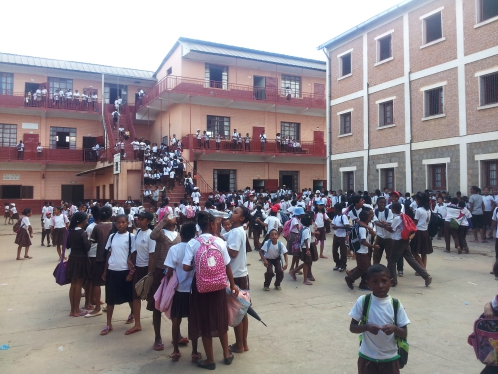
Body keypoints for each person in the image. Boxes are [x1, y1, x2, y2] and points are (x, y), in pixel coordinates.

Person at [183, 211, 237, 370]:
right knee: (220, 317)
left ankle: (210, 360)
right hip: (219, 286)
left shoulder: (193, 243)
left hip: (201, 287)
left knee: (205, 321)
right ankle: (227, 355)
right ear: (212, 225)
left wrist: (199, 267)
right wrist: (232, 284)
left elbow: (186, 267)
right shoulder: (220, 242)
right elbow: (227, 265)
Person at [349, 264, 409, 374]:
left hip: (390, 358)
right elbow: (352, 327)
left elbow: (404, 332)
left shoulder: (396, 305)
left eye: (384, 281)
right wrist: (366, 327)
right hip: (367, 357)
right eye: (375, 282)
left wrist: (394, 328)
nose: (380, 285)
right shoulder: (363, 301)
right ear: (368, 283)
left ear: (391, 282)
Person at [164, 222, 201, 363]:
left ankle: (175, 351)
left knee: (176, 320)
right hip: (193, 289)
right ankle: (195, 352)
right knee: (194, 320)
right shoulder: (197, 247)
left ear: (181, 234)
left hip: (179, 289)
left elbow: (168, 272)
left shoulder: (174, 249)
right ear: (194, 235)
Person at [149, 214, 181, 350]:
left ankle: (177, 334)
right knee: (157, 305)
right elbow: (152, 235)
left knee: (175, 305)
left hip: (175, 273)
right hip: (160, 271)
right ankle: (157, 337)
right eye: (168, 216)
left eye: (172, 216)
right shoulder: (161, 233)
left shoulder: (178, 235)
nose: (170, 217)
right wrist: (163, 221)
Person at [100, 215, 135, 336]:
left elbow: (134, 256)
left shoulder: (131, 238)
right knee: (110, 298)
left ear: (128, 223)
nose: (120, 225)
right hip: (112, 270)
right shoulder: (112, 236)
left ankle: (133, 313)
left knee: (130, 296)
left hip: (125, 271)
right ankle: (109, 323)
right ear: (115, 224)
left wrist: (131, 273)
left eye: (123, 222)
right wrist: (105, 271)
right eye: (118, 222)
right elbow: (109, 254)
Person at [386, 202, 433, 287]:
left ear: (393, 209)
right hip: (405, 239)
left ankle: (393, 280)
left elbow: (391, 229)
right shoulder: (403, 216)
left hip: (398, 240)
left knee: (392, 260)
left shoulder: (397, 218)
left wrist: (384, 225)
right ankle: (426, 276)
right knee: (410, 259)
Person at [126, 211, 156, 335]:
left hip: (146, 268)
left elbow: (152, 256)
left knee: (152, 296)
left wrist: (149, 274)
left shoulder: (151, 235)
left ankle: (156, 318)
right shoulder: (137, 233)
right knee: (135, 296)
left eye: (142, 219)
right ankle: (137, 323)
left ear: (148, 222)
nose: (139, 221)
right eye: (138, 219)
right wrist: (130, 259)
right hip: (137, 268)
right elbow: (135, 250)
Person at [226, 206, 251, 354]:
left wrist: (222, 247)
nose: (232, 213)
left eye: (235, 212)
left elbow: (233, 252)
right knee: (243, 310)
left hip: (235, 275)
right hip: (242, 274)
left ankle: (239, 345)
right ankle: (243, 343)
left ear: (241, 218)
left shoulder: (236, 232)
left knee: (236, 311)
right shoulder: (238, 230)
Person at [86, 206, 114, 318]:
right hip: (112, 258)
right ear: (110, 215)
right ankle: (109, 305)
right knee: (110, 283)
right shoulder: (114, 226)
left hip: (99, 257)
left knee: (97, 283)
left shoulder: (97, 227)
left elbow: (94, 241)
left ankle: (97, 307)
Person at [65, 212, 91, 317]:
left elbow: (68, 245)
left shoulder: (70, 232)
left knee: (73, 285)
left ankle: (73, 310)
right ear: (84, 221)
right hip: (81, 259)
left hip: (73, 258)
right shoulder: (83, 233)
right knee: (79, 285)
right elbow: (87, 248)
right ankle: (76, 310)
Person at [345, 211, 378, 291]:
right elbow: (363, 242)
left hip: (364, 250)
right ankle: (350, 278)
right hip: (361, 251)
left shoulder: (363, 226)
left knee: (367, 267)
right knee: (362, 268)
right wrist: (373, 246)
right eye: (370, 216)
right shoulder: (362, 229)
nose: (371, 217)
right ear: (367, 218)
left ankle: (364, 283)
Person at [410, 192, 433, 271]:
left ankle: (422, 269)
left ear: (419, 200)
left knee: (413, 251)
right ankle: (423, 268)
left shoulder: (419, 210)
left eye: (416, 199)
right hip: (425, 231)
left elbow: (415, 223)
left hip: (418, 232)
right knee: (424, 252)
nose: (415, 201)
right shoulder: (428, 210)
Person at [331, 203, 350, 272]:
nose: (334, 210)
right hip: (336, 235)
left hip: (342, 236)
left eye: (334, 209)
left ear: (338, 209)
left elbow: (347, 226)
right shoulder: (335, 216)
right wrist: (334, 226)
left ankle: (343, 265)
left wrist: (338, 227)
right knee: (334, 251)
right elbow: (333, 223)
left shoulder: (343, 217)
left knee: (343, 252)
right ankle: (337, 264)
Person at [287, 206, 305, 272]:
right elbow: (299, 229)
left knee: (297, 254)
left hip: (297, 236)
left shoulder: (298, 219)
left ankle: (296, 267)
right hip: (294, 236)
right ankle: (292, 267)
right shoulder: (295, 219)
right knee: (296, 253)